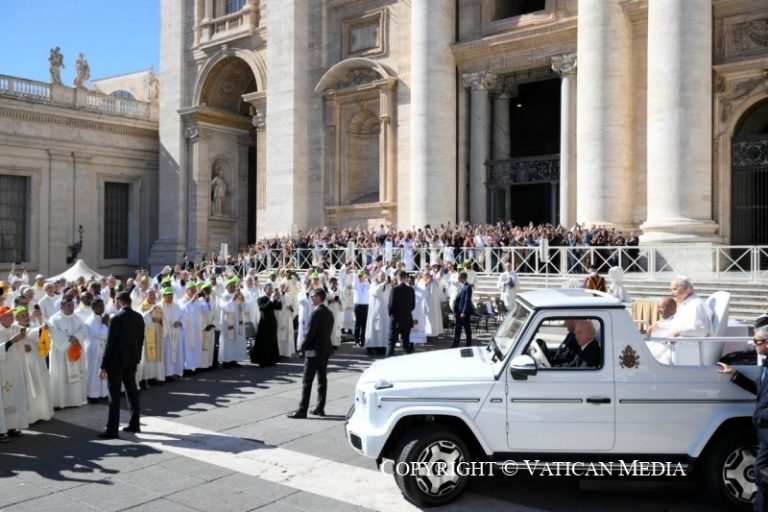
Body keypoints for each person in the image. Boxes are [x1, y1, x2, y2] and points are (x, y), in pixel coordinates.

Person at [717, 326, 768, 512]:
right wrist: (735, 374)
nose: (754, 345)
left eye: (757, 342)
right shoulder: (766, 364)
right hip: (763, 433)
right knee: (761, 478)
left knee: (763, 478)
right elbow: (760, 391)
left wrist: (761, 415)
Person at [98, 292, 144, 439]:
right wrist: (137, 360)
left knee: (114, 396)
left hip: (116, 362)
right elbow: (140, 342)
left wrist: (103, 366)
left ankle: (112, 429)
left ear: (118, 301)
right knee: (132, 392)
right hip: (131, 360)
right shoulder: (139, 317)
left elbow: (110, 344)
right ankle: (134, 424)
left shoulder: (116, 318)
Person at [288, 288, 334, 419]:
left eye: (313, 296)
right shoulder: (329, 313)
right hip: (325, 351)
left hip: (314, 352)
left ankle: (302, 410)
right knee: (322, 381)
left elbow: (309, 334)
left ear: (319, 298)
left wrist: (302, 347)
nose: (311, 298)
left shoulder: (315, 314)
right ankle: (320, 408)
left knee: (307, 382)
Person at [48, 298, 89, 408]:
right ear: (61, 306)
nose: (71, 308)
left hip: (75, 351)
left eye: (72, 305)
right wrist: (68, 340)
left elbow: (84, 330)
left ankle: (75, 401)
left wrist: (76, 337)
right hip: (61, 353)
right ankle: (60, 402)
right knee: (61, 375)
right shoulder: (54, 319)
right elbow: (53, 333)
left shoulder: (77, 318)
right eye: (69, 305)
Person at [0, 306, 29, 437]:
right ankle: (2, 430)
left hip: (15, 368)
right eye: (8, 316)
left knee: (16, 395)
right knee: (5, 398)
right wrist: (12, 341)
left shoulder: (14, 328)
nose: (11, 318)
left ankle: (12, 426)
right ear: (1, 318)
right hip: (3, 370)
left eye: (12, 315)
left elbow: (26, 328)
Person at [84, 298, 110, 402]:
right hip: (93, 349)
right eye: (99, 306)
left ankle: (103, 393)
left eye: (102, 305)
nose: (102, 308)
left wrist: (106, 323)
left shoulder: (101, 318)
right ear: (93, 307)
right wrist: (105, 324)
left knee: (102, 370)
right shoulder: (91, 320)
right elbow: (101, 334)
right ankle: (92, 395)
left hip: (101, 348)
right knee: (94, 372)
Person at [251, 283, 281, 367]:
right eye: (269, 289)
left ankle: (272, 360)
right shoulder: (261, 299)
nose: (271, 290)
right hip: (264, 323)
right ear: (265, 290)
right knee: (264, 343)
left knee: (272, 341)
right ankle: (263, 361)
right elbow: (264, 308)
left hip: (272, 322)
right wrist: (271, 300)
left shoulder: (272, 299)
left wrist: (278, 298)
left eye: (272, 289)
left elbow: (279, 307)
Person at [387, 270, 415, 358]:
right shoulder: (411, 290)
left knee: (391, 343)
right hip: (407, 318)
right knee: (406, 343)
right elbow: (413, 306)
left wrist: (392, 315)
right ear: (405, 278)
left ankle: (387, 362)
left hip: (396, 319)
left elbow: (391, 306)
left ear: (398, 277)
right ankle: (409, 362)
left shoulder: (394, 289)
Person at [452, 272, 473, 348]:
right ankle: (455, 343)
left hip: (464, 312)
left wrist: (464, 312)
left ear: (463, 278)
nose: (458, 279)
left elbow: (467, 300)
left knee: (467, 328)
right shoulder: (461, 286)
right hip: (458, 311)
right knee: (457, 328)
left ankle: (468, 343)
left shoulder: (468, 287)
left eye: (459, 278)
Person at [353, 270, 370, 347]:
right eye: (359, 276)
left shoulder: (367, 284)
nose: (360, 277)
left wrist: (366, 276)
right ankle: (356, 340)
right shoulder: (356, 284)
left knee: (364, 324)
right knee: (358, 324)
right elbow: (354, 281)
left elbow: (371, 282)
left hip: (366, 305)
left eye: (361, 276)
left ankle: (363, 340)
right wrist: (357, 274)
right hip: (358, 305)